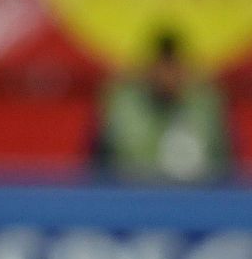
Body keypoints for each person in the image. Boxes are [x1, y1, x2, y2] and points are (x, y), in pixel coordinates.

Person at [90, 28, 234, 183]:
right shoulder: (122, 102)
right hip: (132, 193)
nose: (167, 76)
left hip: (195, 194)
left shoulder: (205, 104)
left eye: (173, 68)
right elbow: (100, 162)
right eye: (161, 67)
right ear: (148, 68)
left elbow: (224, 163)